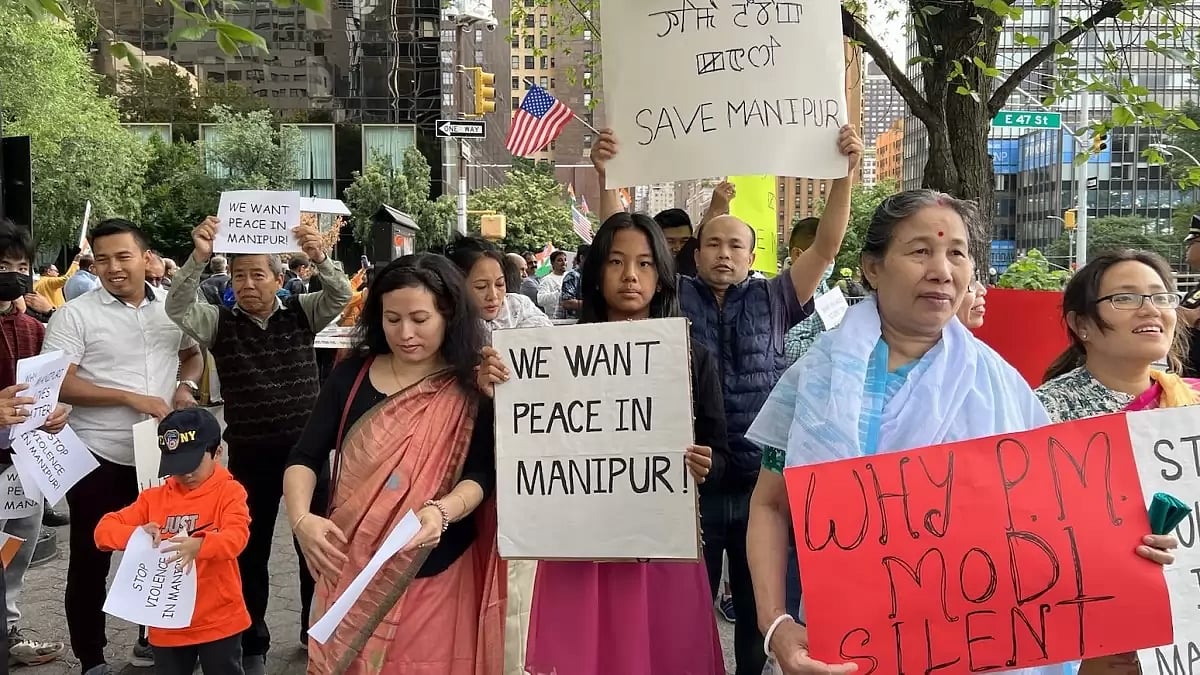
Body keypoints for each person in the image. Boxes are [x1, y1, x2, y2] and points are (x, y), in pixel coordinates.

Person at [742, 191, 1176, 675]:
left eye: (957, 253)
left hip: (982, 650)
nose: (942, 271)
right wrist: (775, 623)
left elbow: (1055, 521)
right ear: (872, 267)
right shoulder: (817, 379)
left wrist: (1133, 543)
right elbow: (770, 503)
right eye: (920, 251)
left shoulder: (1002, 388)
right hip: (849, 648)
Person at [594, 126, 859, 675]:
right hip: (686, 481)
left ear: (753, 253)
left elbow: (827, 245)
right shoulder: (671, 298)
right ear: (693, 253)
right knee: (682, 602)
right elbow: (616, 242)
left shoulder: (778, 296)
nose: (723, 253)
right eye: (712, 242)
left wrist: (845, 175)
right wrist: (607, 178)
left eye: (736, 244)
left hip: (761, 484)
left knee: (760, 611)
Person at [478, 212, 729, 675]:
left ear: (662, 276)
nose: (631, 275)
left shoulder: (692, 355)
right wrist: (494, 390)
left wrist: (705, 463)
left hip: (659, 545)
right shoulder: (550, 357)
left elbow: (720, 450)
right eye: (616, 261)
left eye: (645, 264)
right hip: (580, 549)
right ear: (596, 273)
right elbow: (524, 443)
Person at [284, 253, 502, 674]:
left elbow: (481, 474)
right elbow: (305, 456)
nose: (405, 333)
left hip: (435, 565)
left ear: (448, 314)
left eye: (420, 319)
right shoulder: (350, 378)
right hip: (347, 563)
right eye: (392, 319)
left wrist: (441, 511)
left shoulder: (473, 384)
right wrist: (301, 520)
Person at [166, 216, 352, 673]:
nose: (247, 284)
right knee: (249, 555)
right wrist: (198, 258)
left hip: (305, 459)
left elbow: (343, 296)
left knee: (317, 549)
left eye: (257, 274)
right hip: (249, 456)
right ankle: (253, 645)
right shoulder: (218, 322)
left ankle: (318, 634)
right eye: (238, 275)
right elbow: (176, 306)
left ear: (278, 278)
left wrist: (319, 256)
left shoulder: (301, 312)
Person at [43, 218, 205, 675]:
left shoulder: (171, 310)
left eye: (123, 256)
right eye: (103, 259)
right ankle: (91, 658)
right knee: (92, 557)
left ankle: (152, 638)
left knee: (162, 550)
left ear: (146, 257)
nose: (113, 267)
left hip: (161, 456)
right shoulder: (74, 314)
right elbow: (59, 383)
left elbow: (192, 354)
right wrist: (128, 396)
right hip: (97, 455)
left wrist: (184, 388)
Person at [94, 408, 251, 675]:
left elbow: (237, 537)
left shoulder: (230, 492)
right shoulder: (153, 499)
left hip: (219, 620)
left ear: (217, 453)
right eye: (177, 467)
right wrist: (136, 534)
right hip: (166, 623)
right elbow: (103, 531)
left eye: (193, 464)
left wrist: (201, 544)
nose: (186, 475)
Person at [0, 219, 70, 666]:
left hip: (22, 464)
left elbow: (48, 387)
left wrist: (57, 414)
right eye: (3, 264)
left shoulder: (33, 329)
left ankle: (7, 628)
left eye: (21, 265)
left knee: (15, 548)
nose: (13, 273)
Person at [1040, 249, 1198, 418]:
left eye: (1161, 298)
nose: (1152, 310)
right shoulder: (1044, 412)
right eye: (1125, 298)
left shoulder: (1193, 399)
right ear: (1081, 324)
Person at [445, 236, 551, 335]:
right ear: (456, 286)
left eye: (499, 284)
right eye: (481, 287)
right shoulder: (445, 320)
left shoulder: (519, 306)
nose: (493, 296)